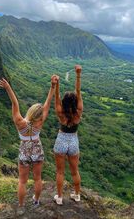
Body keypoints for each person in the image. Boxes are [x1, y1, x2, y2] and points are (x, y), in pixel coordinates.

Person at [0, 75, 57, 210]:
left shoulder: (20, 122)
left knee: (22, 181)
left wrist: (8, 88)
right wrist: (52, 86)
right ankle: (36, 201)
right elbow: (48, 103)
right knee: (37, 178)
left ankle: (21, 205)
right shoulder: (40, 122)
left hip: (24, 150)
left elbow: (15, 103)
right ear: (39, 115)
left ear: (30, 111)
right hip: (37, 149)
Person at [53, 65, 83, 205]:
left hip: (61, 139)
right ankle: (77, 195)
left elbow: (56, 96)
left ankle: (59, 197)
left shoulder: (61, 112)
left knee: (60, 172)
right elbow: (78, 90)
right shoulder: (78, 112)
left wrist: (56, 83)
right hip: (73, 141)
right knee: (74, 171)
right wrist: (78, 74)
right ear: (76, 102)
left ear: (64, 103)